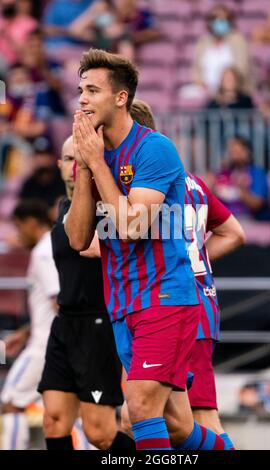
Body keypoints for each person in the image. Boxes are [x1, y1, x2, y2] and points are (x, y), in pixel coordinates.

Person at [65, 48, 228, 451]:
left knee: (138, 409)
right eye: (80, 90)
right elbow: (77, 238)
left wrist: (98, 165)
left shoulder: (154, 149)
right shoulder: (91, 154)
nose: (82, 99)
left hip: (165, 297)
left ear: (121, 98)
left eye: (92, 90)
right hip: (122, 304)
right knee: (176, 426)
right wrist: (86, 168)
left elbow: (133, 225)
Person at [122, 99, 245, 449]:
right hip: (190, 297)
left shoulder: (147, 184)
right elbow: (235, 233)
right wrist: (198, 262)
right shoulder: (192, 182)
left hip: (174, 301)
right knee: (162, 418)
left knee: (199, 415)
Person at [38, 135, 134, 451]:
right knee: (53, 420)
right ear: (60, 165)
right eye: (68, 159)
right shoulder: (64, 207)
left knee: (100, 432)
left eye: (78, 158)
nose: (73, 166)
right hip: (64, 323)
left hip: (97, 323)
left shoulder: (102, 204)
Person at [0, 199, 59, 449]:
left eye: (18, 225)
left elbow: (58, 300)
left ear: (32, 223)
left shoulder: (43, 253)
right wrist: (24, 334)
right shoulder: (53, 246)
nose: (17, 233)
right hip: (48, 342)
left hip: (43, 347)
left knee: (11, 402)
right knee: (69, 410)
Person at [191, 4, 252, 97]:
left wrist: (226, 85)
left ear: (230, 21)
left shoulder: (238, 40)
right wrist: (201, 84)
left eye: (224, 19)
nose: (219, 21)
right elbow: (196, 69)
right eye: (215, 18)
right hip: (206, 90)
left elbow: (242, 69)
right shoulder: (203, 42)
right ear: (210, 21)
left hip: (232, 90)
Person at [212, 135, 270, 221]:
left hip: (250, 223)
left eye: (237, 152)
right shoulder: (222, 174)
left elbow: (256, 204)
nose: (233, 156)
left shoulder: (257, 174)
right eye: (231, 152)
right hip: (224, 223)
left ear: (247, 152)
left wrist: (241, 189)